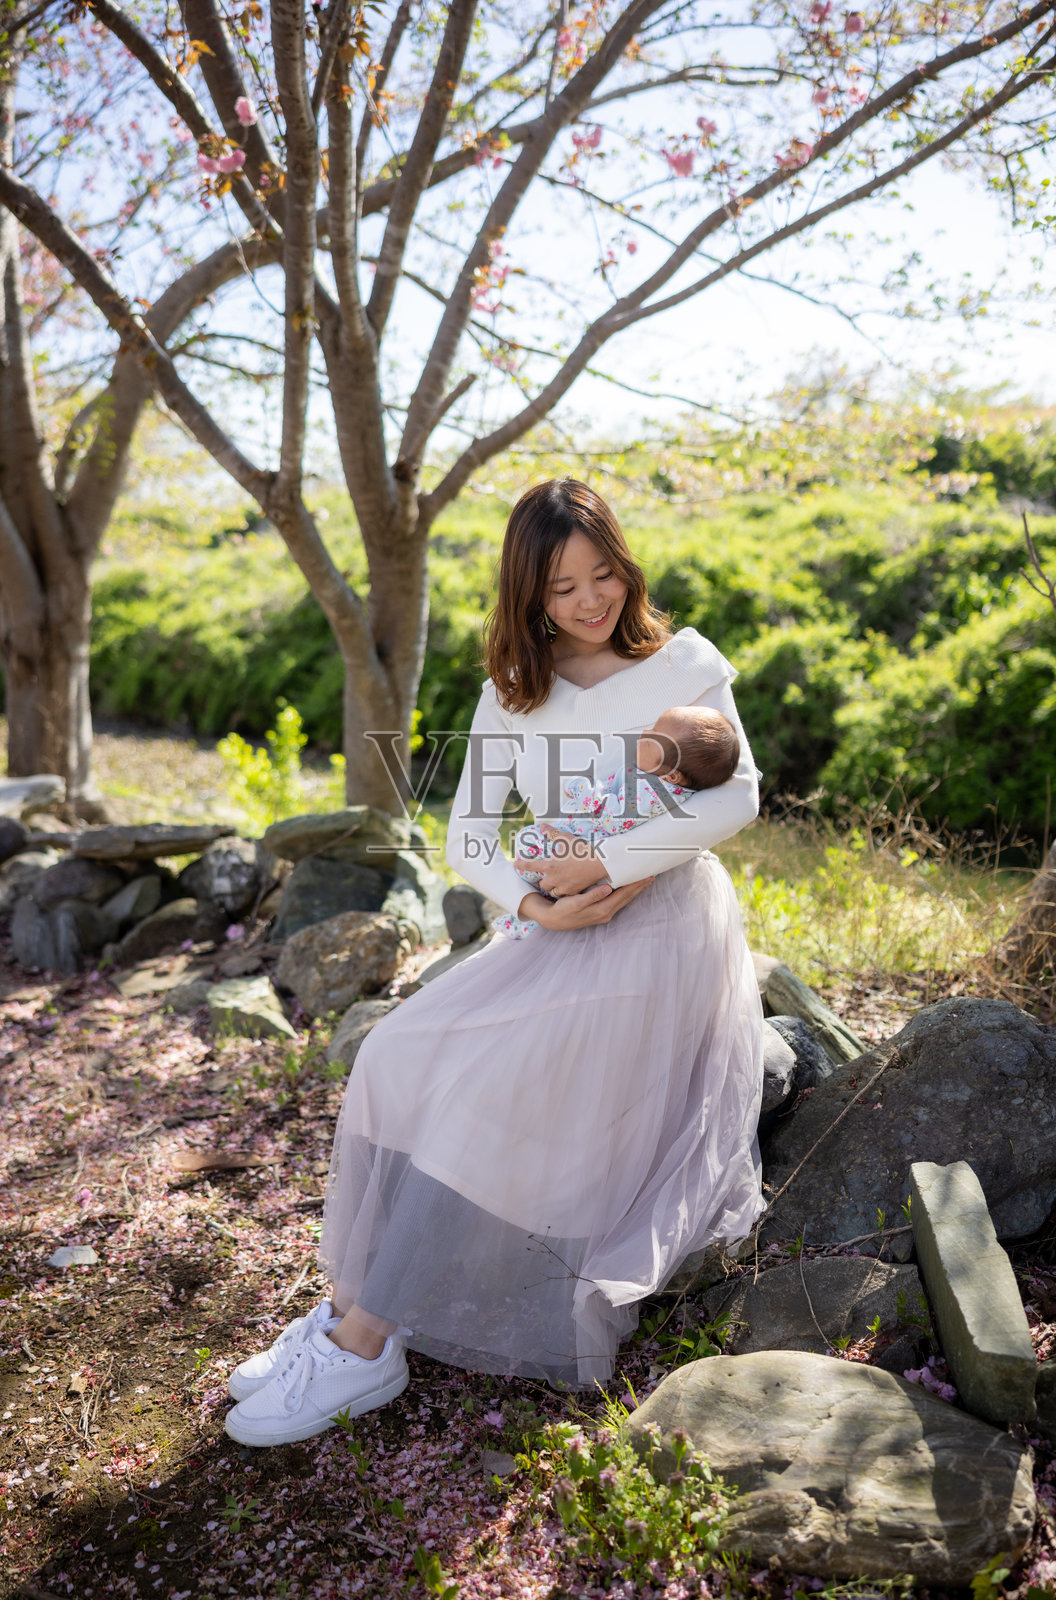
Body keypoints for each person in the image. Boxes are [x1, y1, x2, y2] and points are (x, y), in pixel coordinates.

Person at [223, 479, 765, 1448]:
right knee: (394, 1057)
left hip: (663, 924)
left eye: (602, 575)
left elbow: (734, 800)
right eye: (561, 588)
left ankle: (362, 1344)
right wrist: (536, 908)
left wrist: (601, 866)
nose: (589, 601)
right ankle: (355, 1303)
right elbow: (469, 838)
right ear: (527, 594)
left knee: (484, 1091)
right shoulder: (512, 696)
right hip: (551, 924)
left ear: (624, 568)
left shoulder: (682, 662)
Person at [492, 703, 741, 939]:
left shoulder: (652, 791)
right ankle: (535, 909)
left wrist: (584, 790)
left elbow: (613, 819)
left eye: (654, 735)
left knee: (531, 847)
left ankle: (532, 905)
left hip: (591, 851)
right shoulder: (660, 785)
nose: (645, 732)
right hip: (590, 851)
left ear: (672, 774)